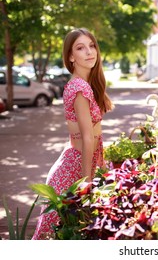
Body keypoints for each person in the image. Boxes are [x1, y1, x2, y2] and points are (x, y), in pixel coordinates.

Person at [32, 28, 114, 240]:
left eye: (92, 45)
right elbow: (87, 137)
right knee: (50, 239)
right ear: (70, 56)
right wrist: (87, 182)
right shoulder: (79, 87)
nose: (89, 52)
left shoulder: (86, 85)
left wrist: (102, 167)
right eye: (80, 48)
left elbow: (94, 137)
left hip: (79, 165)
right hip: (72, 174)